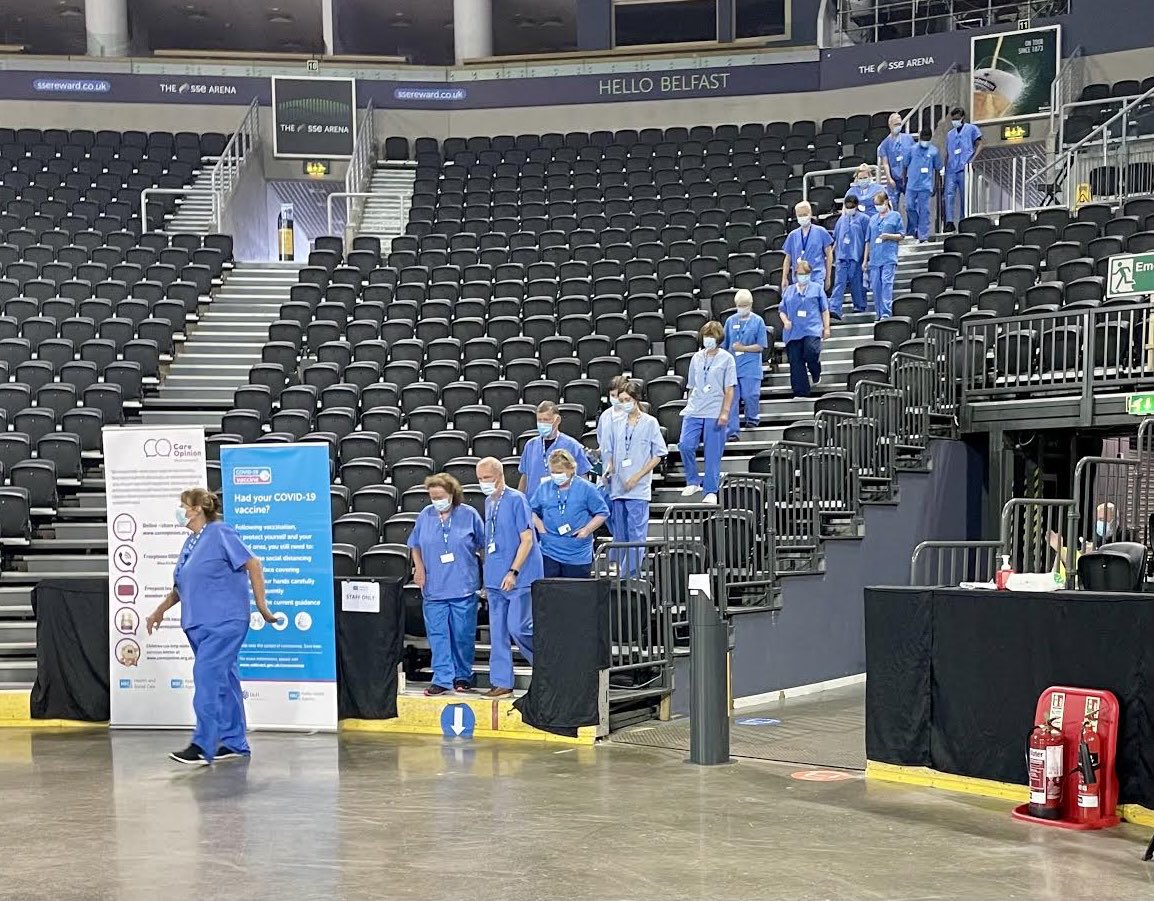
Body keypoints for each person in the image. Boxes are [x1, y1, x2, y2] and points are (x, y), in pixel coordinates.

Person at [145, 488, 276, 766]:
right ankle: (234, 743)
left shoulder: (219, 532)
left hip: (224, 622)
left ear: (196, 510)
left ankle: (202, 744)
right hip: (198, 624)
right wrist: (159, 611)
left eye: (183, 506)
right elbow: (181, 587)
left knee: (206, 678)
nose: (179, 511)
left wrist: (262, 606)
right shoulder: (191, 542)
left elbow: (253, 564)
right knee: (225, 681)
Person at [407, 473, 485, 696]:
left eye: (440, 497)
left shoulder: (469, 515)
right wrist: (419, 568)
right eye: (433, 497)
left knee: (462, 635)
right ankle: (442, 678)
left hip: (463, 586)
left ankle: (462, 675)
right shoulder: (425, 515)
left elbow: (483, 546)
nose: (437, 501)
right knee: (438, 636)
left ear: (452, 494)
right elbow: (415, 545)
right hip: (434, 587)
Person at [476, 456, 543, 698]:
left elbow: (527, 540)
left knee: (519, 627)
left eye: (487, 478)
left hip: (520, 578)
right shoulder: (488, 502)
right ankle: (502, 681)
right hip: (495, 578)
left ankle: (548, 666)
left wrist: (513, 571)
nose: (483, 482)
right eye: (480, 478)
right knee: (498, 633)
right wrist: (488, 579)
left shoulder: (517, 499)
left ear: (500, 475)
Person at [603, 380, 666, 576]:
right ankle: (620, 573)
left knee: (636, 534)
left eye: (627, 400)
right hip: (618, 486)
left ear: (636, 399)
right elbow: (610, 450)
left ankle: (629, 576)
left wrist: (637, 476)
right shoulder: (616, 423)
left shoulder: (650, 423)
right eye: (621, 400)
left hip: (638, 488)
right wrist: (609, 467)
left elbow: (658, 454)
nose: (623, 404)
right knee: (621, 534)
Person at [677, 321, 736, 506]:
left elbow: (729, 389)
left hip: (715, 410)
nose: (708, 340)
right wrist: (689, 404)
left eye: (711, 337)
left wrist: (725, 412)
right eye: (706, 336)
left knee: (712, 453)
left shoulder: (727, 359)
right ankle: (693, 481)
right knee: (685, 445)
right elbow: (691, 385)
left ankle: (711, 490)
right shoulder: (696, 357)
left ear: (718, 339)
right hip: (694, 409)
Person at [530, 449, 609, 578]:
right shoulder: (544, 488)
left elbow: (602, 513)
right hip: (549, 550)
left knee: (574, 589)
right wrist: (541, 528)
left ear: (571, 469)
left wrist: (586, 530)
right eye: (553, 472)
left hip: (578, 553)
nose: (556, 476)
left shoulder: (586, 488)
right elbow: (532, 511)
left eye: (559, 472)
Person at [779, 260, 831, 398]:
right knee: (796, 362)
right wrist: (785, 321)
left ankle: (815, 371)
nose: (802, 277)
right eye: (800, 274)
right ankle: (801, 392)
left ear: (810, 274)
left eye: (805, 274)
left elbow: (824, 310)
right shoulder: (789, 291)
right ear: (796, 274)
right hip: (793, 332)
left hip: (811, 328)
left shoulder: (816, 289)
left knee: (811, 351)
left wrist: (826, 328)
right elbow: (782, 310)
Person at [722, 288, 768, 439]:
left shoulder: (758, 321)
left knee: (751, 395)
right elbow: (724, 345)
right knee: (732, 400)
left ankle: (752, 419)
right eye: (739, 306)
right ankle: (732, 431)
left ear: (751, 304)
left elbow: (761, 346)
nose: (742, 308)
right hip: (733, 366)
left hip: (750, 366)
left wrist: (743, 348)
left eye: (745, 305)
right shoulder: (730, 321)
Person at [518, 400, 592, 496]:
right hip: (534, 501)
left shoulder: (572, 446)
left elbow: (583, 477)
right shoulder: (530, 446)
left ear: (557, 420)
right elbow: (525, 476)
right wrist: (520, 499)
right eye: (539, 420)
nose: (542, 424)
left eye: (546, 420)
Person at [863, 191, 904, 320]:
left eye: (879, 204)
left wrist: (889, 236)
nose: (878, 206)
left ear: (886, 202)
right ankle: (879, 312)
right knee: (876, 286)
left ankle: (886, 312)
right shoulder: (872, 219)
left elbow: (901, 235)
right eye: (876, 204)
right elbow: (868, 241)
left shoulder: (895, 216)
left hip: (888, 257)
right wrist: (865, 260)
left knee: (887, 283)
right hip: (875, 258)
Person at [781, 200, 833, 295]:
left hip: (816, 276)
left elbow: (829, 255)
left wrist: (828, 277)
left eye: (805, 214)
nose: (803, 217)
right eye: (800, 215)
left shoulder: (821, 232)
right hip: (798, 278)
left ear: (810, 214)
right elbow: (787, 259)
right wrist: (784, 278)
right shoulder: (792, 236)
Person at [943, 107, 982, 231]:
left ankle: (963, 221)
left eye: (957, 119)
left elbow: (980, 144)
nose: (955, 121)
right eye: (953, 119)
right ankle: (949, 222)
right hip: (951, 169)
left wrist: (972, 160)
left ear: (962, 117)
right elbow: (947, 153)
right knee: (949, 195)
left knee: (965, 197)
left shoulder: (971, 129)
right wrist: (945, 168)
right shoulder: (950, 134)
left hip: (965, 167)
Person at [830, 194, 868, 319]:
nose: (849, 209)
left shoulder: (864, 219)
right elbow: (837, 238)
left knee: (857, 283)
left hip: (856, 257)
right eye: (847, 206)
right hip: (842, 257)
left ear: (856, 206)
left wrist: (866, 258)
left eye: (851, 206)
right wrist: (831, 255)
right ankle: (834, 308)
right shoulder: (841, 220)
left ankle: (859, 306)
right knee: (839, 283)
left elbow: (868, 240)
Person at [877, 112, 916, 229]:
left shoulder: (908, 139)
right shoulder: (885, 144)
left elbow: (914, 157)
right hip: (894, 178)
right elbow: (885, 163)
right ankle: (896, 229)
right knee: (893, 206)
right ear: (890, 125)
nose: (898, 126)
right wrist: (889, 179)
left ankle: (912, 230)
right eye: (895, 124)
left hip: (908, 178)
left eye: (899, 124)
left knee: (911, 205)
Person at [905, 127, 942, 243]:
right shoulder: (912, 150)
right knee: (909, 207)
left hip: (925, 186)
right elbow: (905, 165)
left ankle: (923, 236)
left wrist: (936, 185)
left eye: (927, 139)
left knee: (924, 211)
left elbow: (937, 169)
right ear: (920, 137)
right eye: (923, 138)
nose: (925, 141)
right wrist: (903, 181)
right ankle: (916, 226)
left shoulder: (934, 151)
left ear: (930, 138)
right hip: (911, 185)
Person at [596, 375, 631, 450]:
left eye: (618, 396)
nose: (615, 399)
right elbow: (601, 440)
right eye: (612, 395)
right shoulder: (605, 415)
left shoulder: (633, 414)